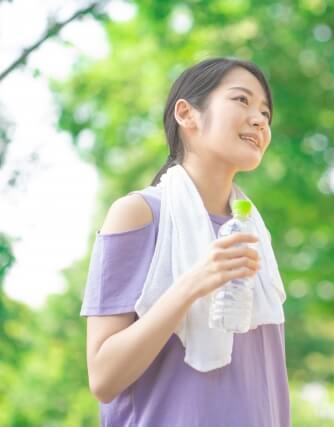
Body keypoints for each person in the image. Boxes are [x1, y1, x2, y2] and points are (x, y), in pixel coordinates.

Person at [79, 57, 290, 426]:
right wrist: (192, 284)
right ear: (186, 114)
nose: (259, 120)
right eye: (241, 100)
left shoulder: (254, 232)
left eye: (265, 113)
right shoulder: (138, 214)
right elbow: (103, 377)